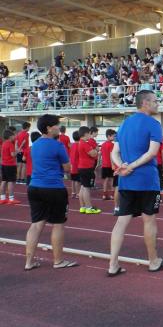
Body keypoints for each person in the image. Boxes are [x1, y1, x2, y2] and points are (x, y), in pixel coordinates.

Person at [108, 90, 163, 276]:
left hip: (126, 181)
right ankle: (153, 261)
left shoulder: (124, 124)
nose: (157, 104)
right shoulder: (153, 124)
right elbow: (152, 153)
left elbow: (115, 153)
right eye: (155, 101)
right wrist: (131, 167)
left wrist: (123, 167)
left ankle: (113, 265)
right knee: (149, 219)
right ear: (145, 103)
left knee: (121, 222)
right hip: (146, 180)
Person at [24, 114, 77, 271]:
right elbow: (68, 168)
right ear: (48, 128)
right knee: (58, 224)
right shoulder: (57, 146)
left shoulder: (35, 145)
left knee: (36, 225)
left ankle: (29, 262)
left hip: (34, 187)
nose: (59, 127)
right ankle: (58, 261)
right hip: (53, 188)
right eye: (56, 125)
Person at [77, 127, 101, 215]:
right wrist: (95, 149)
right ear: (86, 134)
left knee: (83, 187)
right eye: (89, 134)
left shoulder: (81, 143)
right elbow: (94, 153)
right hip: (87, 168)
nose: (90, 136)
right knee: (86, 188)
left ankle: (83, 207)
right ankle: (89, 207)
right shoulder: (84, 144)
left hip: (82, 167)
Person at [0, 130, 21, 205]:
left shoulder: (4, 144)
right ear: (10, 136)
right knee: (10, 182)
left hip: (4, 164)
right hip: (10, 165)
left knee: (4, 181)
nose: (15, 137)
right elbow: (13, 155)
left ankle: (2, 198)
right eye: (13, 135)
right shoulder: (10, 144)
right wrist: (17, 152)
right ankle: (11, 199)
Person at [100, 129, 116, 200]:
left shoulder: (103, 144)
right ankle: (112, 195)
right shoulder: (112, 145)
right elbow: (111, 155)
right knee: (112, 180)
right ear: (109, 136)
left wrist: (99, 163)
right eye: (114, 136)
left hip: (104, 165)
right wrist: (113, 164)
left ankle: (104, 194)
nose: (115, 137)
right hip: (110, 165)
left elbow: (100, 154)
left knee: (105, 180)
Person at [70, 132, 81, 200]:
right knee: (77, 181)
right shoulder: (79, 145)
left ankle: (73, 192)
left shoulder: (72, 145)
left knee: (73, 180)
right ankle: (77, 193)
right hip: (77, 165)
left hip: (72, 165)